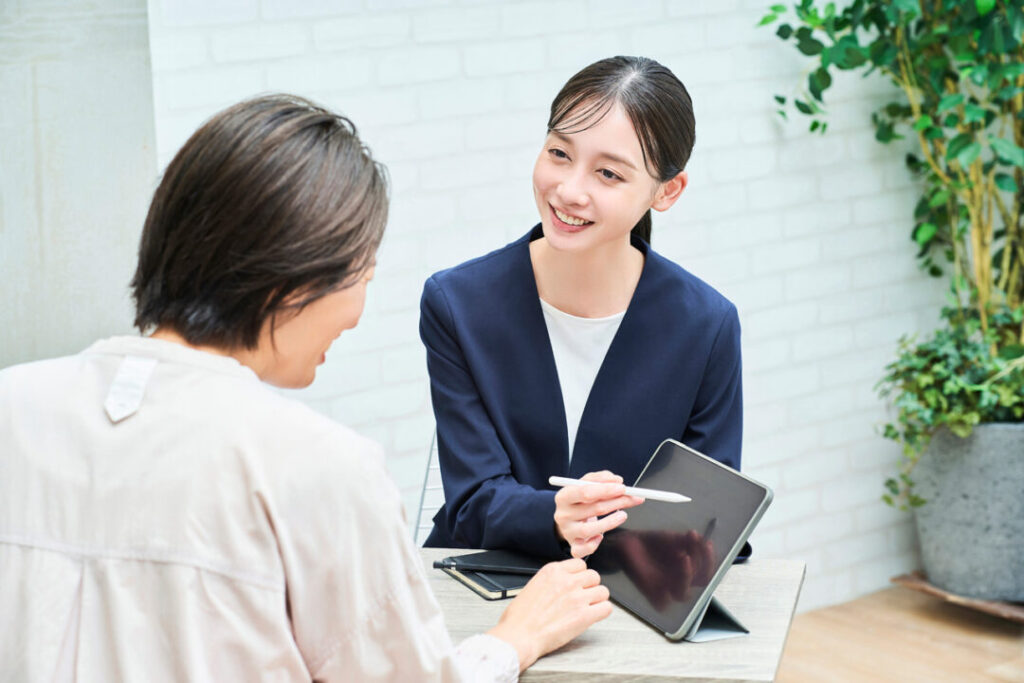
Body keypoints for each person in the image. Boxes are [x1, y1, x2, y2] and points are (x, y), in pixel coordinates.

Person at [0, 95, 611, 682]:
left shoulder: (13, 408)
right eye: (364, 274)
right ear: (298, 279)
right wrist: (516, 638)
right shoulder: (319, 470)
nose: (356, 313)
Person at [421, 56, 743, 561]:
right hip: (486, 578)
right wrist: (553, 515)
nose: (569, 190)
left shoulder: (705, 325)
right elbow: (470, 500)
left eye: (608, 173)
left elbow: (709, 518)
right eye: (558, 153)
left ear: (667, 190)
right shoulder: (458, 303)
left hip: (634, 596)